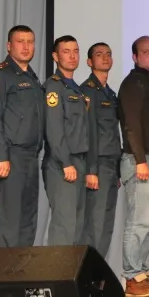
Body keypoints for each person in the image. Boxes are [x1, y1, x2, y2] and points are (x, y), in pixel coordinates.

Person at [0, 24, 44, 248]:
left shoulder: (33, 78)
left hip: (29, 156)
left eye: (30, 42)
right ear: (9, 46)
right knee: (8, 219)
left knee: (27, 219)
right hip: (10, 155)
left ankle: (20, 276)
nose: (26, 47)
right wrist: (2, 155)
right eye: (20, 41)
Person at [117, 36, 149, 297]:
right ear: (135, 57)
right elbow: (131, 124)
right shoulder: (134, 83)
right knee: (139, 222)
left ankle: (140, 274)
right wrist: (139, 161)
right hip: (140, 160)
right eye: (145, 52)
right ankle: (132, 277)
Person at [42, 35, 98, 246]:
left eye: (75, 51)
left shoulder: (75, 88)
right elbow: (54, 129)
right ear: (55, 56)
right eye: (66, 51)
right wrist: (66, 162)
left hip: (79, 162)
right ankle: (56, 278)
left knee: (77, 226)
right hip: (62, 164)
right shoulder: (54, 87)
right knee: (64, 226)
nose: (72, 56)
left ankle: (69, 276)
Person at [80, 43, 122, 257]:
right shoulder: (87, 91)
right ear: (89, 62)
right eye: (99, 54)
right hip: (97, 165)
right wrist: (91, 169)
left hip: (110, 165)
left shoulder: (110, 93)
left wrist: (117, 170)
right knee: (94, 224)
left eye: (108, 53)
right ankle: (88, 276)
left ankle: (99, 277)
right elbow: (89, 133)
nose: (105, 58)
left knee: (106, 223)